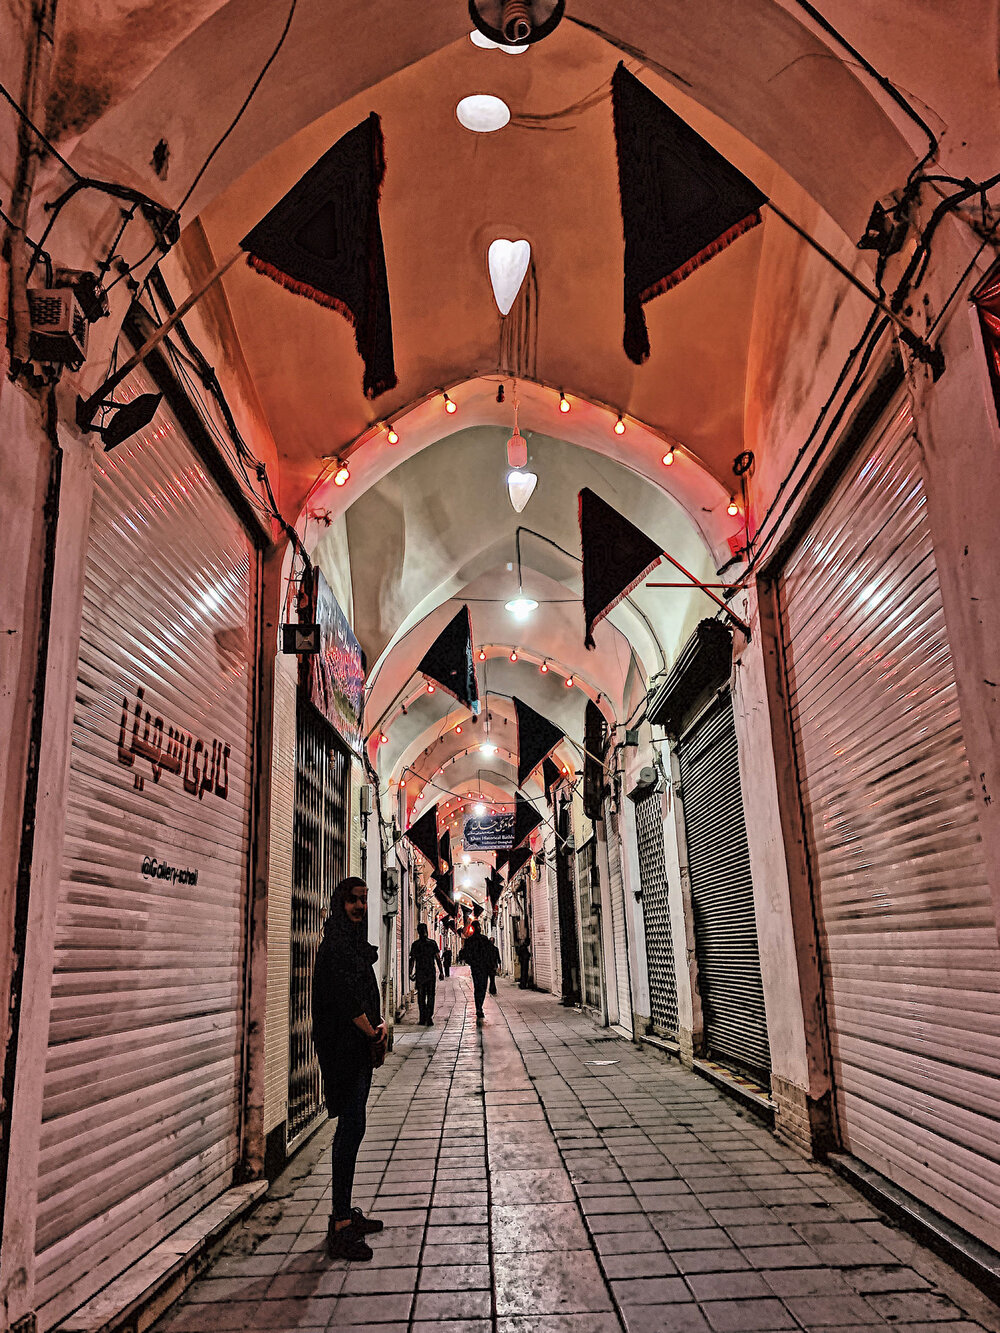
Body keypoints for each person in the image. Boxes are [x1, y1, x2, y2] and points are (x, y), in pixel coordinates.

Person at [312, 876, 387, 1262]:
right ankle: (340, 1223)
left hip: (359, 1048)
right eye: (353, 901)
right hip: (344, 1050)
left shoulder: (352, 943)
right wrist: (373, 1032)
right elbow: (345, 999)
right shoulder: (336, 946)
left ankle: (344, 1214)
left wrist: (381, 1026)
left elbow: (364, 991)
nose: (360, 907)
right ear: (340, 903)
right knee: (350, 1128)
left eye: (364, 900)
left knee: (354, 1127)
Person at [409, 922, 444, 1024]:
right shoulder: (432, 943)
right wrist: (441, 972)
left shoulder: (415, 945)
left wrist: (410, 973)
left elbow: (412, 960)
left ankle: (422, 1017)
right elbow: (437, 958)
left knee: (421, 996)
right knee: (431, 995)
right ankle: (429, 1017)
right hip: (430, 973)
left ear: (418, 932)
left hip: (420, 973)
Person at [462, 921, 495, 1026]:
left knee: (478, 987)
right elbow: (490, 954)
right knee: (482, 987)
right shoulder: (484, 940)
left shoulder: (469, 941)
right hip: (483, 967)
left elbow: (466, 955)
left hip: (476, 968)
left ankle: (479, 1007)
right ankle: (479, 1006)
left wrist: (472, 962)